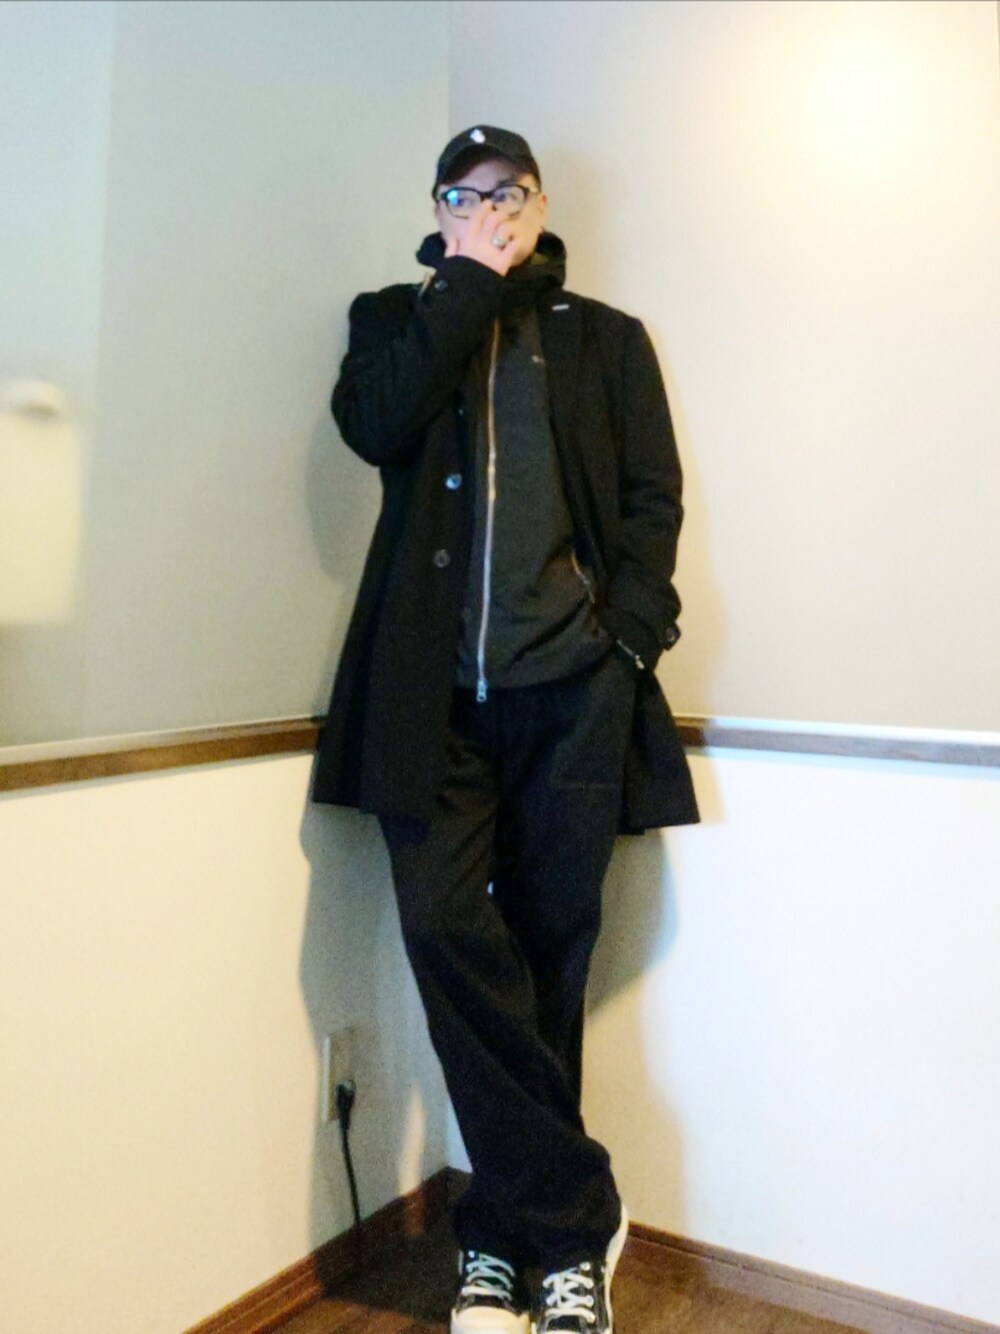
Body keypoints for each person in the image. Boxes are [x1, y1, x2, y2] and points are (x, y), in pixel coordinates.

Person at [310, 126, 700, 1334]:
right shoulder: (395, 319)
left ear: (538, 207)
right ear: (439, 210)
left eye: (509, 194)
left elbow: (652, 500)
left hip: (571, 695)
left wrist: (626, 640)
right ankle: (575, 1218)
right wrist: (464, 289)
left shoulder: (605, 339)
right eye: (465, 195)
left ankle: (504, 1242)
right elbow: (374, 425)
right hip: (428, 706)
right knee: (441, 923)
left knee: (546, 957)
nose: (489, 210)